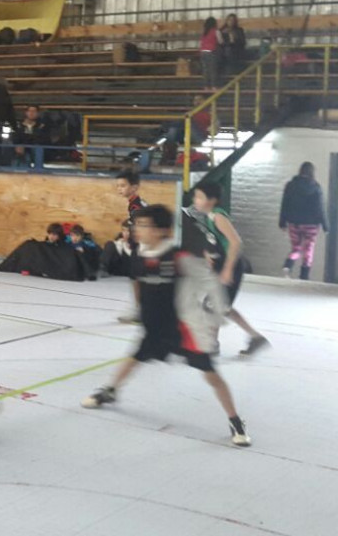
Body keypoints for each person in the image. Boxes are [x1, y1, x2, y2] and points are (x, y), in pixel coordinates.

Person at [81, 205, 252, 448]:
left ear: (163, 230)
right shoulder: (139, 253)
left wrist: (217, 314)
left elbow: (209, 281)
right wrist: (138, 309)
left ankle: (235, 420)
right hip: (154, 328)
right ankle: (110, 391)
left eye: (143, 225)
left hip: (183, 330)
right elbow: (138, 283)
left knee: (211, 375)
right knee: (134, 357)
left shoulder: (178, 257)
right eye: (136, 225)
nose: (137, 230)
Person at [192, 182, 268, 355]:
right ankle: (254, 337)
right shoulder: (208, 217)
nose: (195, 200)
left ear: (212, 200)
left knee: (213, 305)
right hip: (222, 265)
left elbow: (235, 242)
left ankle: (212, 344)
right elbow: (216, 241)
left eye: (199, 197)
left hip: (231, 267)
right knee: (221, 306)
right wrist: (207, 254)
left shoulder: (218, 217)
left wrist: (227, 269)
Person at [279, 161, 329, 280]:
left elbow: (285, 204)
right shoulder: (316, 187)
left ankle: (288, 265)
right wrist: (326, 226)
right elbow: (320, 208)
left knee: (296, 248)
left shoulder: (290, 185)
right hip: (311, 225)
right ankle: (304, 276)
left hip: (294, 223)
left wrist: (282, 222)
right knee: (308, 249)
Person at [110, 170, 146, 321]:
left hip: (142, 247)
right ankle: (140, 309)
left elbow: (142, 226)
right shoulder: (135, 204)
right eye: (118, 186)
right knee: (136, 278)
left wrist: (134, 241)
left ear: (134, 187)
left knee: (137, 278)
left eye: (123, 185)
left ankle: (140, 311)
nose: (120, 189)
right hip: (141, 246)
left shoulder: (136, 206)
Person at [13, 105, 47, 169]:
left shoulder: (42, 126)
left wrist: (32, 130)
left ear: (37, 113)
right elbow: (16, 138)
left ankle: (38, 171)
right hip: (24, 150)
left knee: (38, 149)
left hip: (36, 149)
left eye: (34, 111)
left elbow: (42, 139)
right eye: (30, 111)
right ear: (26, 113)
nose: (31, 113)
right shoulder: (20, 125)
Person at [200, 16, 222, 90]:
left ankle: (206, 86)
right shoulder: (216, 31)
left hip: (203, 52)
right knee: (213, 69)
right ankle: (214, 86)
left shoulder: (204, 32)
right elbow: (220, 41)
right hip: (211, 51)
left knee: (205, 70)